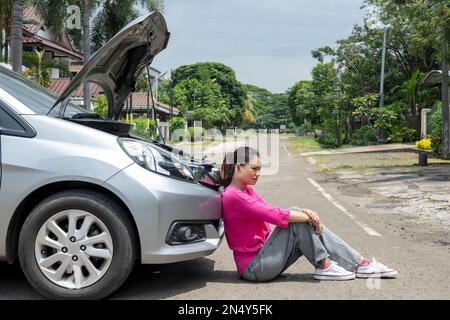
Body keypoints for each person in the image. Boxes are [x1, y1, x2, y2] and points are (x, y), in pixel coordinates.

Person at [220, 146, 397, 282]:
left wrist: (305, 213)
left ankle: (359, 264)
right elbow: (274, 215)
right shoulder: (234, 196)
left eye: (259, 169)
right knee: (297, 220)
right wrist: (309, 217)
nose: (258, 173)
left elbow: (273, 210)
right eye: (254, 168)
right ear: (238, 168)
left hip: (264, 258)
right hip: (254, 267)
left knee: (296, 214)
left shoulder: (245, 191)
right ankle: (327, 265)